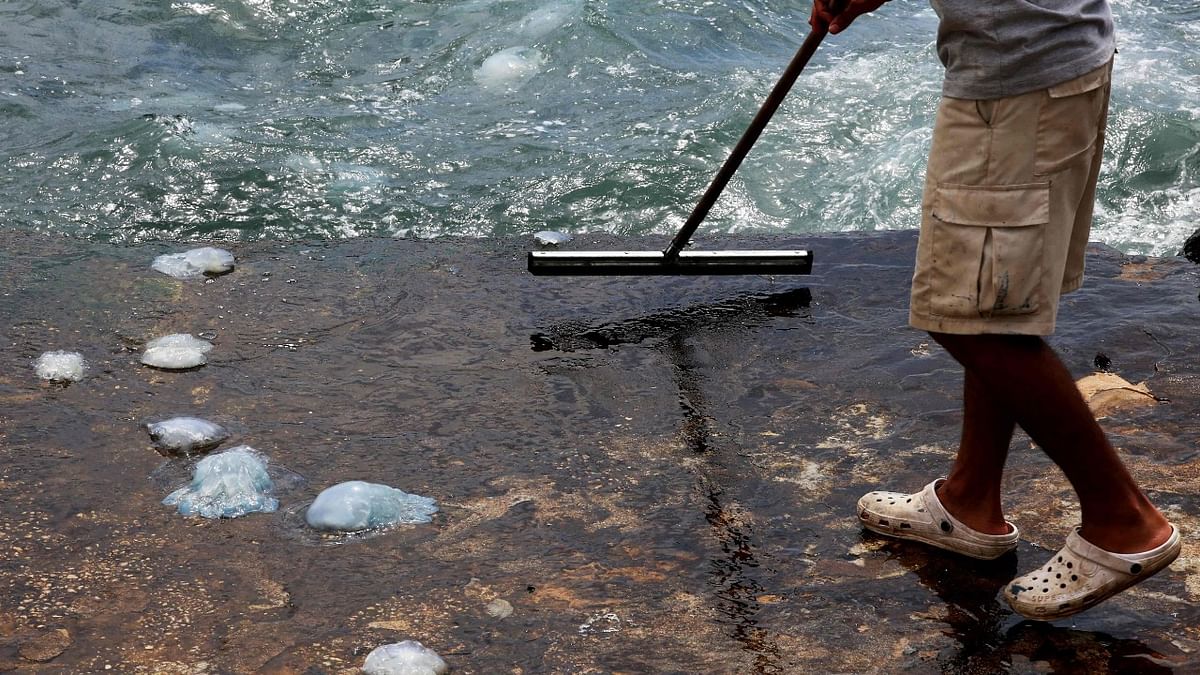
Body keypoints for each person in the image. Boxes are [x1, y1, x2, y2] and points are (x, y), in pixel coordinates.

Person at [809, 0, 1180, 620]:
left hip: (1020, 81)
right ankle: (969, 498)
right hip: (1048, 58)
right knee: (992, 302)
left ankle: (1123, 520)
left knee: (969, 315)